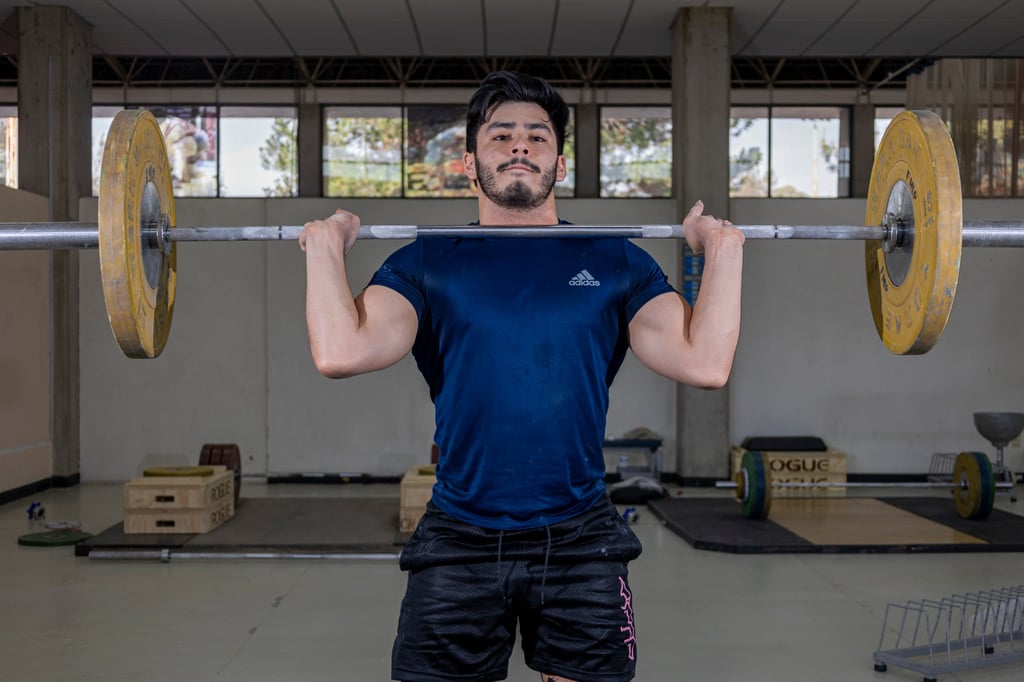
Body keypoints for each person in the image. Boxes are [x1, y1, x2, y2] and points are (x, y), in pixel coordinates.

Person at [299, 71, 745, 682]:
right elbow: (340, 352)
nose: (519, 146)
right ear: (468, 162)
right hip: (460, 533)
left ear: (558, 165)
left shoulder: (614, 259)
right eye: (500, 134)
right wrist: (324, 251)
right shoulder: (427, 262)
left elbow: (705, 363)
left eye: (537, 136)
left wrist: (722, 253)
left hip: (581, 536)